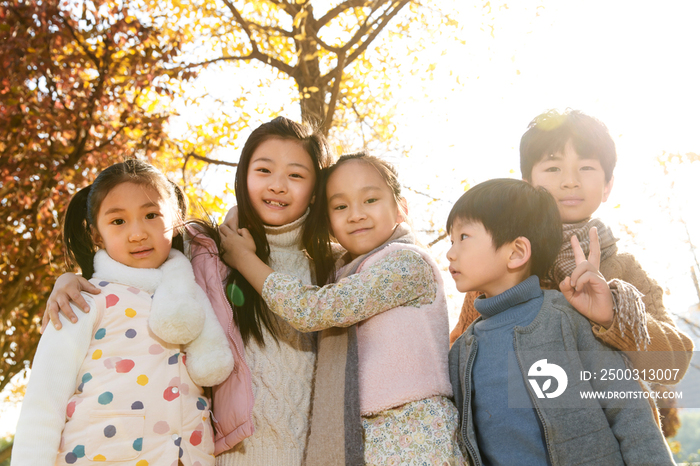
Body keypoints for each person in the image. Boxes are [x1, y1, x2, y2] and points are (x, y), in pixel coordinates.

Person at [41, 117, 334, 466]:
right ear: (243, 176)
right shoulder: (205, 248)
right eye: (264, 170)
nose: (278, 186)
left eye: (296, 175)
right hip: (234, 453)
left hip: (315, 452)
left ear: (316, 189)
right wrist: (72, 277)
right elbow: (140, 255)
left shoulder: (332, 265)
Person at [221, 153, 465, 466]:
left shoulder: (406, 263)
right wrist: (247, 210)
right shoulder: (345, 269)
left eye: (371, 199)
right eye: (340, 206)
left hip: (413, 430)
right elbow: (292, 240)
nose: (356, 215)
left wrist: (244, 259)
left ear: (402, 208)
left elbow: (315, 308)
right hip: (360, 433)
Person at [12, 160, 233, 465]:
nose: (138, 233)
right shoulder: (82, 299)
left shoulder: (191, 295)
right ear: (96, 235)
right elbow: (44, 402)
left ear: (177, 220)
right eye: (118, 221)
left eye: (152, 215)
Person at [450, 109, 693, 387]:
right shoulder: (495, 265)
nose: (570, 181)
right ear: (527, 185)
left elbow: (674, 364)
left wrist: (612, 315)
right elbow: (460, 357)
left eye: (587, 167)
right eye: (553, 167)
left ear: (607, 186)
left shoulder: (624, 270)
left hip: (614, 428)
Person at [446, 178, 676, 465]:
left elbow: (628, 409)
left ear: (516, 252)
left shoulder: (567, 319)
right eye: (450, 240)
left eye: (464, 237)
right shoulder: (462, 351)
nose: (450, 252)